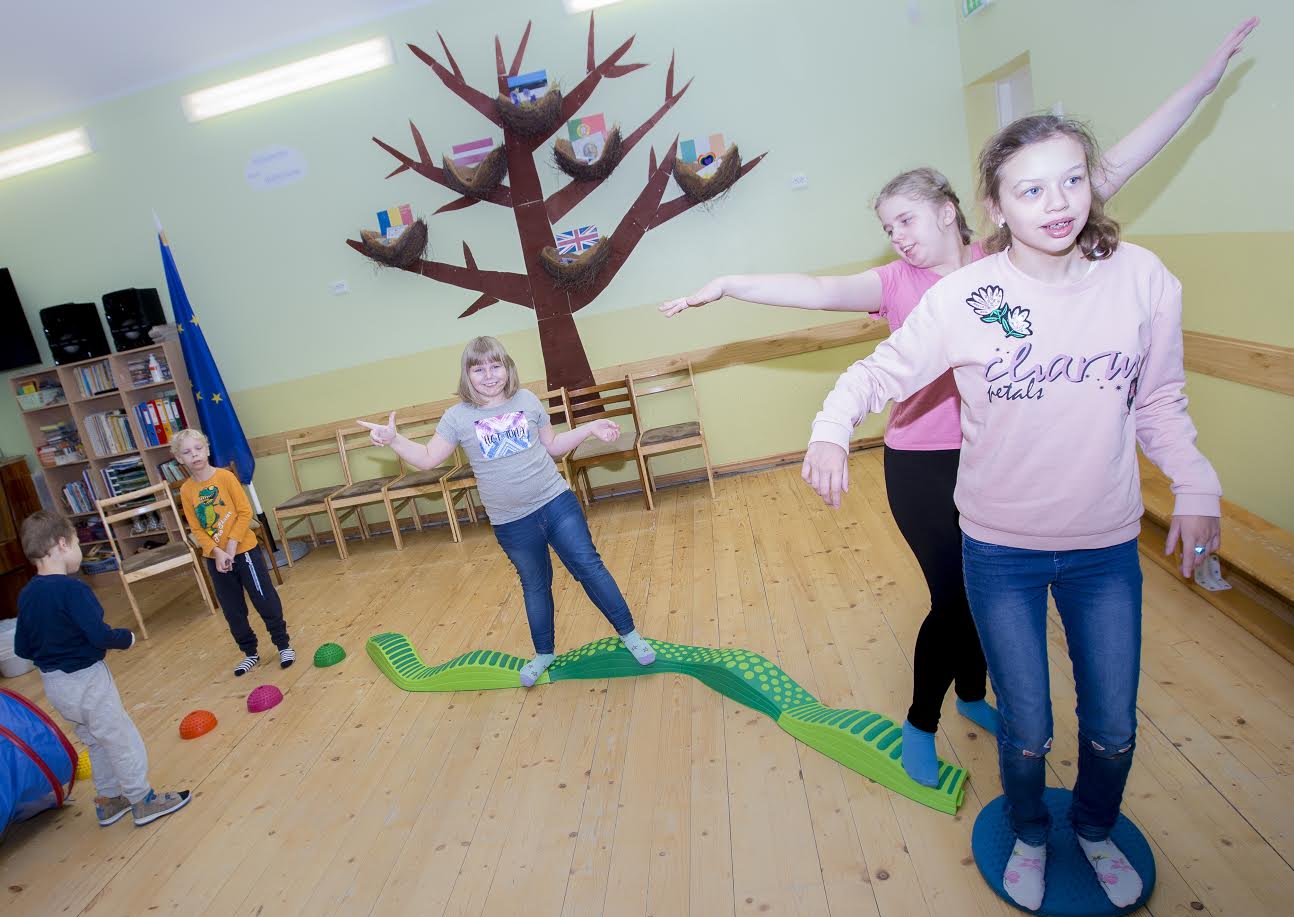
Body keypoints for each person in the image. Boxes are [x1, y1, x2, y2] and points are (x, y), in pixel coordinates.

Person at [658, 17, 1256, 790]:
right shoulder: (899, 287)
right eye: (885, 228)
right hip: (921, 461)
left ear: (951, 209)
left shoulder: (1007, 253)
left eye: (904, 219)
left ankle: (975, 694)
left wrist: (1199, 87)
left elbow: (1107, 170)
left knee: (982, 609)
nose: (896, 236)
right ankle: (926, 718)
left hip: (994, 455)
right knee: (956, 598)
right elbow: (812, 294)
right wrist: (731, 283)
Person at [802, 112, 1222, 911]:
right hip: (1000, 552)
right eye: (1031, 189)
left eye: (1071, 179)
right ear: (996, 208)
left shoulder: (1143, 279)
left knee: (1113, 724)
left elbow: (1160, 400)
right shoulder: (966, 295)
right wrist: (829, 428)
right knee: (1026, 725)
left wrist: (1195, 484)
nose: (1057, 201)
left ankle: (1095, 829)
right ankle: (1030, 831)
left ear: (1091, 183)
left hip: (1104, 550)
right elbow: (878, 370)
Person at [359, 336, 656, 686]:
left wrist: (589, 428)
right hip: (512, 523)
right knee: (535, 585)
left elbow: (554, 447)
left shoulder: (526, 399)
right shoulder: (457, 417)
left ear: (508, 367)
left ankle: (630, 635)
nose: (489, 375)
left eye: (495, 365)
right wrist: (393, 439)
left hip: (556, 503)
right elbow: (427, 459)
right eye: (478, 368)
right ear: (466, 375)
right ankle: (544, 652)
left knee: (589, 567)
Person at [14, 511, 192, 827]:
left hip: (55, 687)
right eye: (76, 543)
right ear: (60, 544)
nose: (80, 551)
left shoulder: (27, 595)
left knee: (95, 741)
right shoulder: (74, 590)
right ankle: (142, 799)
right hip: (87, 681)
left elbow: (22, 649)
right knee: (120, 738)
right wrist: (126, 637)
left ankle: (109, 800)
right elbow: (98, 635)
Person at [172, 428, 295, 676]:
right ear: (179, 459)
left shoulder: (226, 478)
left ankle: (283, 645)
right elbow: (195, 527)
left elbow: (244, 512)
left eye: (198, 449)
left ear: (207, 450)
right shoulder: (186, 491)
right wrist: (216, 552)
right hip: (216, 559)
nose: (194, 455)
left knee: (264, 599)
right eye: (187, 452)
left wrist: (230, 546)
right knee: (232, 609)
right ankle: (250, 653)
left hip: (244, 552)